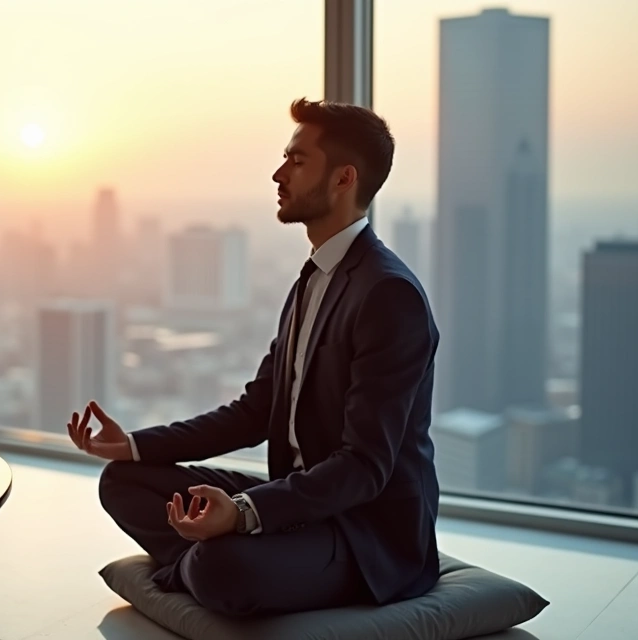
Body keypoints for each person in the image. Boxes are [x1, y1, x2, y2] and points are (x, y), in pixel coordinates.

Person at [67, 98, 441, 618]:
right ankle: (202, 561)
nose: (278, 173)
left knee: (227, 570)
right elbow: (253, 412)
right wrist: (130, 444)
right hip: (297, 501)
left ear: (343, 178)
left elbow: (364, 469)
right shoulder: (312, 281)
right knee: (125, 481)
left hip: (362, 530)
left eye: (297, 160)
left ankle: (197, 565)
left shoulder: (388, 295)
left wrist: (244, 514)